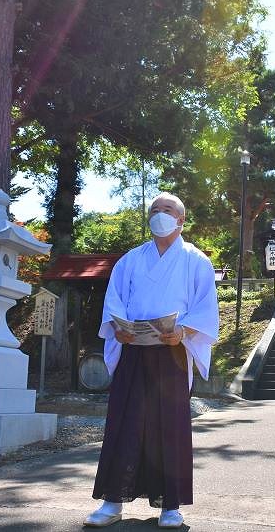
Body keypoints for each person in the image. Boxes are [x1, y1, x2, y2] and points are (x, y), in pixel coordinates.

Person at [83, 192, 220, 529]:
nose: (160, 214)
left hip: (173, 352)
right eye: (155, 210)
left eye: (167, 209)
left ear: (181, 219)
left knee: (169, 426)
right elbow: (114, 301)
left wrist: (184, 331)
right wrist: (118, 328)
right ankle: (112, 501)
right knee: (124, 422)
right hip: (133, 350)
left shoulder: (196, 260)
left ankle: (170, 505)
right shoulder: (130, 260)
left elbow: (205, 307)